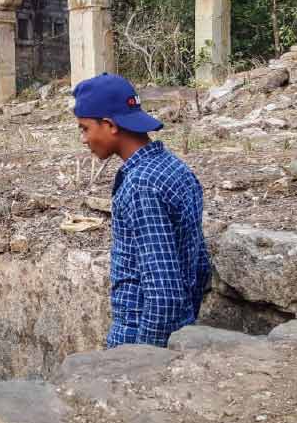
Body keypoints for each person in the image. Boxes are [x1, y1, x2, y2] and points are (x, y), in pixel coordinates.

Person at [73, 73, 211, 348]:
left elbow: (163, 293)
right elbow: (201, 265)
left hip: (137, 341)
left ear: (109, 125)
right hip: (179, 330)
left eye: (85, 128)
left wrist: (143, 361)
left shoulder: (140, 185)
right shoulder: (176, 168)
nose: (84, 139)